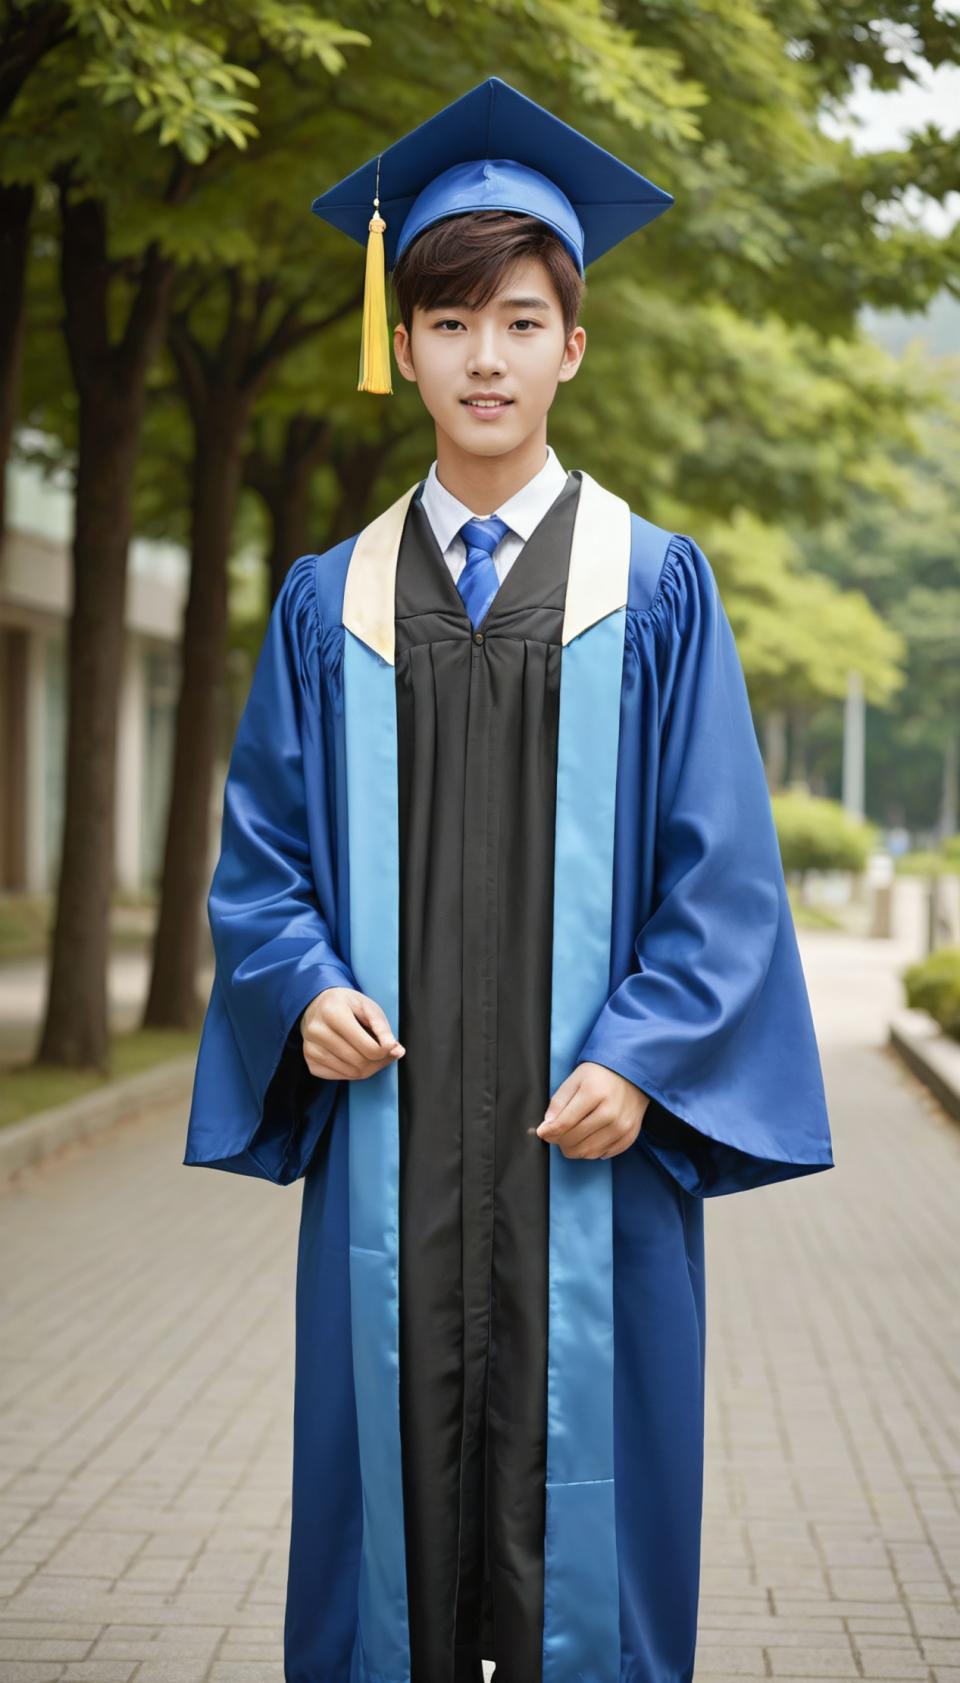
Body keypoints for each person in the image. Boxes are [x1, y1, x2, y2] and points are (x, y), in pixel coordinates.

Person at [182, 75, 835, 1683]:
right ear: (399, 344)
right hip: (394, 1160)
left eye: (522, 318)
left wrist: (641, 1055)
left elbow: (722, 879)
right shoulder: (326, 605)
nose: (487, 354)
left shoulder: (658, 591)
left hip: (586, 1153)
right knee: (382, 1560)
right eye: (453, 318)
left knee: (589, 1567)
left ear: (573, 347)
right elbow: (259, 863)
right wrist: (304, 987)